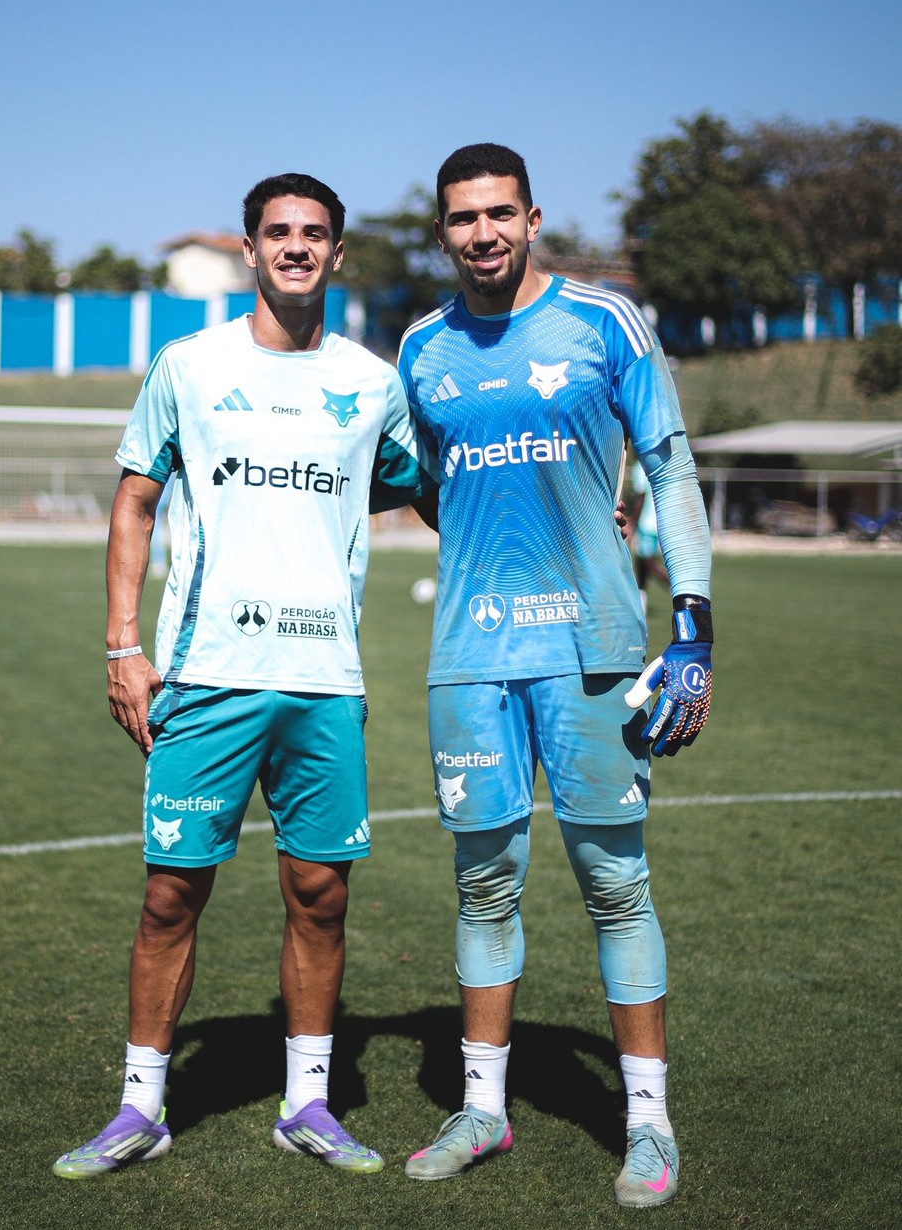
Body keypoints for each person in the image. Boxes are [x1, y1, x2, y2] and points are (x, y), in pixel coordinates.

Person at [53, 173, 434, 1179]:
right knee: (171, 893)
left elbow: (431, 489)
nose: (296, 248)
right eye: (279, 233)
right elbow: (135, 501)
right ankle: (140, 1108)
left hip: (323, 680)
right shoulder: (189, 364)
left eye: (314, 234)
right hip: (207, 675)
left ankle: (308, 1102)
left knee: (319, 892)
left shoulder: (373, 382)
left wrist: (564, 523)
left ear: (338, 253)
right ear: (249, 248)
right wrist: (122, 645)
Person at [396, 144, 713, 1208]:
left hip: (594, 647)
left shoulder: (606, 322)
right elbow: (432, 483)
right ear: (442, 231)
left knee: (615, 886)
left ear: (533, 218)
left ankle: (651, 1128)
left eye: (499, 214)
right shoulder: (421, 349)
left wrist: (694, 627)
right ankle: (484, 1110)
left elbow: (668, 464)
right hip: (471, 655)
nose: (481, 233)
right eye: (460, 219)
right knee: (483, 883)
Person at [629, 459, 670, 613]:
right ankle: (640, 604)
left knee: (649, 563)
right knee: (641, 565)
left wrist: (634, 520)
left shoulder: (640, 467)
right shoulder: (657, 464)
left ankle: (678, 590)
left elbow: (641, 496)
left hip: (646, 524)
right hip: (658, 522)